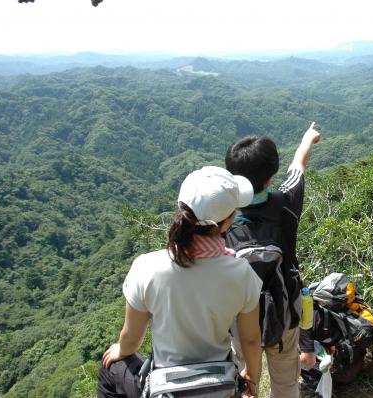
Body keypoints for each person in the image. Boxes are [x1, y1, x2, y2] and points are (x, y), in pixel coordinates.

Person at [97, 166, 263, 398]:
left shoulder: (146, 267)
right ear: (227, 222)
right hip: (220, 385)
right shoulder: (241, 272)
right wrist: (252, 376)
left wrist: (120, 350)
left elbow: (132, 339)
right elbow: (251, 339)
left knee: (109, 370)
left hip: (166, 388)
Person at [225, 122, 321, 398]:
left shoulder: (221, 215)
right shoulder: (286, 203)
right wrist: (306, 141)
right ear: (270, 178)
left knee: (242, 385)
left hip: (238, 322)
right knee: (286, 385)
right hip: (284, 315)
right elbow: (298, 168)